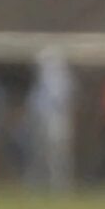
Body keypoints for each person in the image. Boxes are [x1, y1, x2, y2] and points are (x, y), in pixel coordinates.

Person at [26, 44, 74, 191]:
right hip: (41, 120)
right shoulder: (40, 83)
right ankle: (40, 182)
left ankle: (59, 183)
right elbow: (34, 103)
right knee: (39, 152)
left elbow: (65, 102)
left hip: (56, 121)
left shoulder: (62, 80)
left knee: (58, 154)